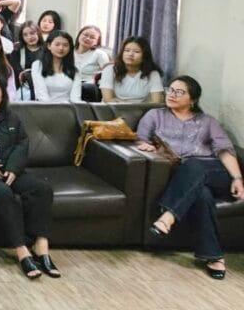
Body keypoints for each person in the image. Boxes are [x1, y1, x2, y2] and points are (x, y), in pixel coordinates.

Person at [136, 76, 243, 279]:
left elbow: (224, 150)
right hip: (185, 177)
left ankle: (168, 216)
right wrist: (145, 146)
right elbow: (140, 139)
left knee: (195, 164)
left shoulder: (207, 122)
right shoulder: (154, 115)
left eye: (179, 92)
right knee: (201, 194)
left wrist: (237, 178)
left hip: (215, 172)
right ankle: (213, 256)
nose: (172, 95)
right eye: (170, 90)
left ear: (192, 99)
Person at [0, 75, 60, 279]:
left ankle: (41, 245)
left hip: (9, 169)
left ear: (3, 94)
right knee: (3, 193)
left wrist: (13, 168)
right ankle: (21, 250)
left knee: (42, 189)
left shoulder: (11, 116)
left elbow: (22, 143)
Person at [100, 36, 164, 104]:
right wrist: (132, 106)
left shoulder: (153, 74)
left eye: (137, 52)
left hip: (141, 109)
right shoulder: (110, 70)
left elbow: (156, 102)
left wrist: (132, 107)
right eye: (127, 50)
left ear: (145, 55)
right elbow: (108, 99)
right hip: (112, 108)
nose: (130, 54)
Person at [31, 30, 81, 102]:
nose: (61, 48)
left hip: (69, 107)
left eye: (65, 45)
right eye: (57, 44)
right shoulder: (38, 65)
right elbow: (41, 94)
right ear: (49, 46)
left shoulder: (75, 68)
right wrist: (53, 108)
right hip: (45, 106)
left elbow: (75, 97)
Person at [73, 25, 110, 101]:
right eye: (85, 35)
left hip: (89, 87)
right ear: (79, 35)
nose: (87, 38)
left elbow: (108, 74)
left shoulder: (100, 55)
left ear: (97, 41)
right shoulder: (69, 51)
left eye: (92, 37)